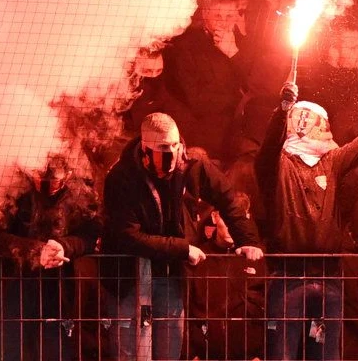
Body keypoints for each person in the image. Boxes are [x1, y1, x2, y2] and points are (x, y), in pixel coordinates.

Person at [255, 84, 358, 360]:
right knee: (282, 353)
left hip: (328, 279)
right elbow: (268, 148)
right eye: (321, 126)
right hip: (287, 277)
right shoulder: (278, 165)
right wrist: (280, 113)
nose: (327, 132)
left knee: (325, 353)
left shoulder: (332, 162)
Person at [101, 113, 264, 360]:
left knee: (170, 347)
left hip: (171, 274)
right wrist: (183, 249)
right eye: (161, 154)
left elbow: (227, 198)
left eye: (174, 150)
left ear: (180, 144)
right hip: (130, 276)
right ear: (145, 149)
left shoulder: (193, 166)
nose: (170, 160)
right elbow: (128, 236)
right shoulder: (121, 177)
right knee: (134, 353)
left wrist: (247, 240)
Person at [0, 157, 97, 361]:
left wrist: (64, 246)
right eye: (41, 180)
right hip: (13, 285)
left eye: (54, 181)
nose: (48, 187)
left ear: (67, 176)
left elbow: (89, 235)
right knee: (10, 349)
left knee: (56, 350)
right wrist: (36, 251)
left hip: (58, 288)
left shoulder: (80, 193)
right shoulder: (14, 189)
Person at [159, 1, 252, 165]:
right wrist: (238, 100)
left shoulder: (244, 44)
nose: (223, 21)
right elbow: (197, 100)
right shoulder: (185, 46)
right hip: (201, 138)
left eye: (229, 16)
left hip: (235, 138)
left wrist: (232, 52)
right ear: (205, 16)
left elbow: (256, 84)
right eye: (217, 15)